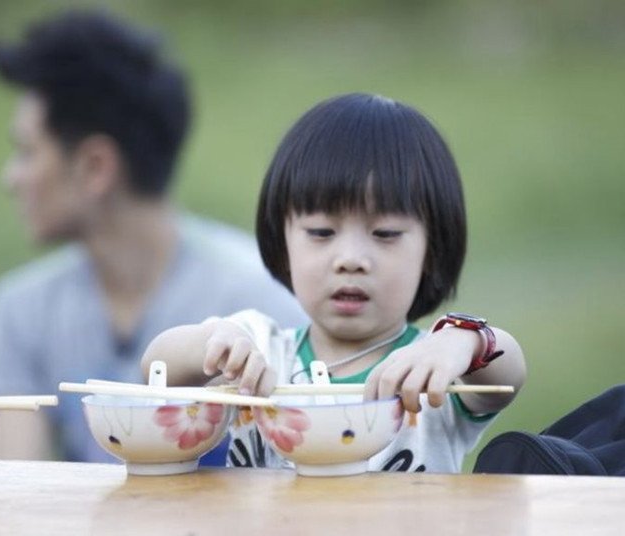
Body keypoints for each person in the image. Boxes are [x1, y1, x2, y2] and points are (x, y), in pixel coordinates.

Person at [0, 10, 306, 463]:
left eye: (27, 152)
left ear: (96, 166)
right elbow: (13, 492)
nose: (10, 178)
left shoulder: (264, 298)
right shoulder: (22, 310)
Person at [141, 93, 527, 473]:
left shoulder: (430, 370)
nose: (351, 260)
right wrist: (213, 345)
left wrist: (463, 342)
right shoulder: (259, 352)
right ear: (283, 243)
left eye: (386, 233)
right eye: (322, 232)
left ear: (432, 248)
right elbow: (156, 367)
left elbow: (508, 377)